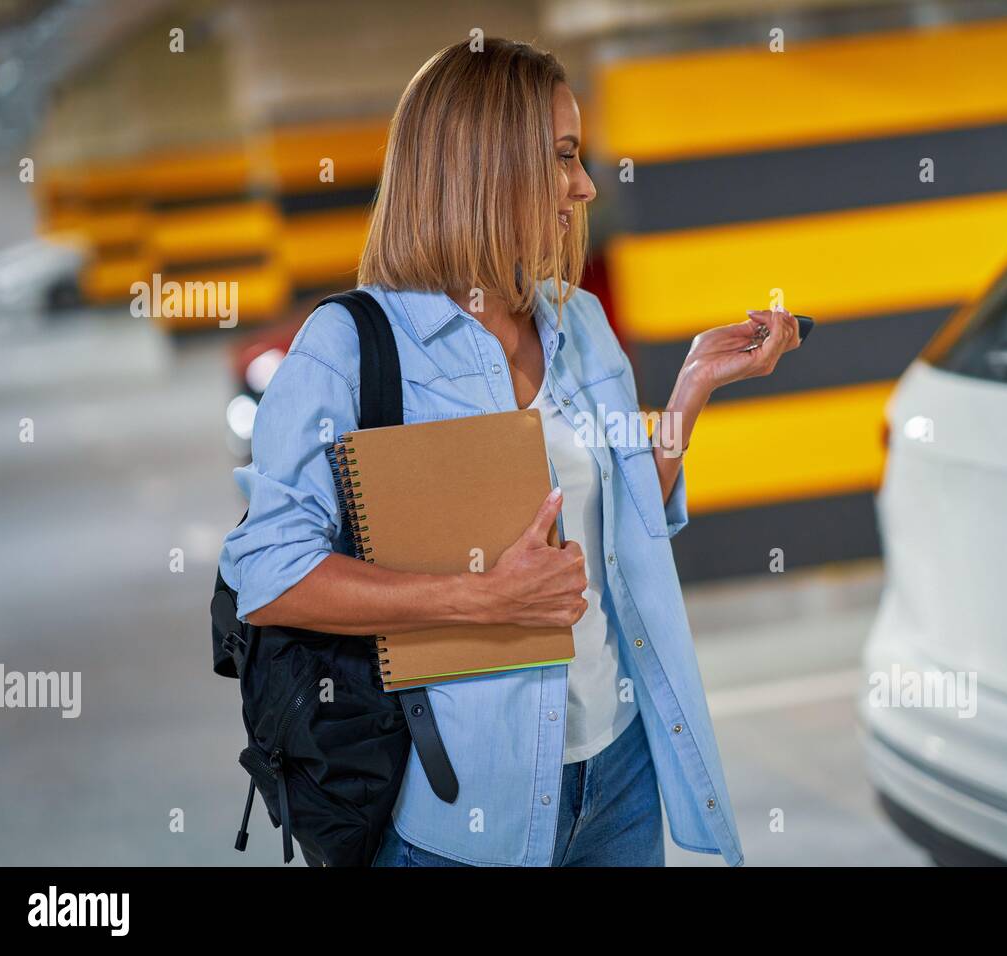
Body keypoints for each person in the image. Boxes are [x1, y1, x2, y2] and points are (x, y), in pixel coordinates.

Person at [218, 37, 800, 867]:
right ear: (487, 164)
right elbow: (269, 575)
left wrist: (690, 393)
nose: (586, 184)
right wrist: (482, 598)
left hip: (618, 777)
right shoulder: (346, 350)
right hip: (463, 805)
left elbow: (624, 517)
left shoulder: (579, 323)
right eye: (563, 157)